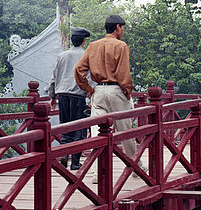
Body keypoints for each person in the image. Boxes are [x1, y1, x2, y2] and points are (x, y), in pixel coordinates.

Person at [74, 15, 145, 183]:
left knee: (97, 134)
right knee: (126, 131)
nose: (123, 31)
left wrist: (88, 89)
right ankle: (135, 166)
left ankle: (97, 174)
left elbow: (79, 70)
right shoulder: (121, 46)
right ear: (117, 27)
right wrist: (127, 92)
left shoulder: (93, 46)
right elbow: (123, 74)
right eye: (123, 28)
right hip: (116, 90)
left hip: (98, 90)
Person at [49, 27, 91, 170]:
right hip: (78, 96)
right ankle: (75, 162)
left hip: (63, 96)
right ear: (84, 41)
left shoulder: (62, 56)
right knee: (78, 129)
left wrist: (52, 96)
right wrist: (91, 94)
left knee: (65, 127)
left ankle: (64, 157)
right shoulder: (86, 56)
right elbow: (90, 78)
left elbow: (54, 76)